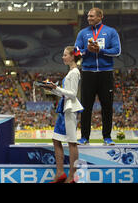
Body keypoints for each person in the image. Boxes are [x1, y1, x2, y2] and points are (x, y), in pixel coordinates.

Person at [75, 8, 121, 145]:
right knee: (86, 107)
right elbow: (76, 53)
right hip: (88, 73)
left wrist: (100, 50)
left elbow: (117, 51)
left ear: (100, 16)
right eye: (88, 16)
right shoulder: (83, 33)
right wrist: (87, 51)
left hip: (105, 73)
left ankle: (107, 137)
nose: (88, 18)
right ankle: (84, 138)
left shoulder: (111, 32)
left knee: (107, 106)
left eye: (91, 16)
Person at [39, 46, 84, 183]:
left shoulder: (75, 72)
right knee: (56, 139)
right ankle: (60, 173)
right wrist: (52, 89)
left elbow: (72, 94)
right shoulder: (71, 72)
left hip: (69, 110)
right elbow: (65, 93)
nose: (63, 57)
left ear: (72, 56)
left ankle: (71, 176)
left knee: (72, 142)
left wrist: (56, 87)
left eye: (65, 55)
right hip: (64, 108)